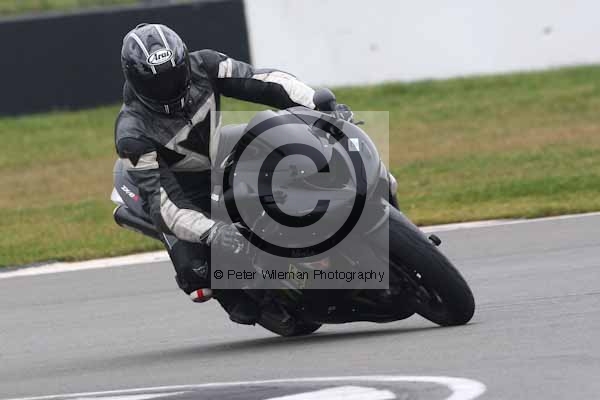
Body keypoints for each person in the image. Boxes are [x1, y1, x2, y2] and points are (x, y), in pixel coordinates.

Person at [114, 23, 353, 325]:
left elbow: (263, 81)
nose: (168, 88)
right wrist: (213, 232)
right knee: (199, 279)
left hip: (217, 152)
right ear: (137, 82)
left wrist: (316, 104)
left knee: (280, 139)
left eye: (173, 77)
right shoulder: (132, 133)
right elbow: (163, 204)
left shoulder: (206, 65)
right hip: (181, 191)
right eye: (157, 84)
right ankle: (247, 293)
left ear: (184, 63)